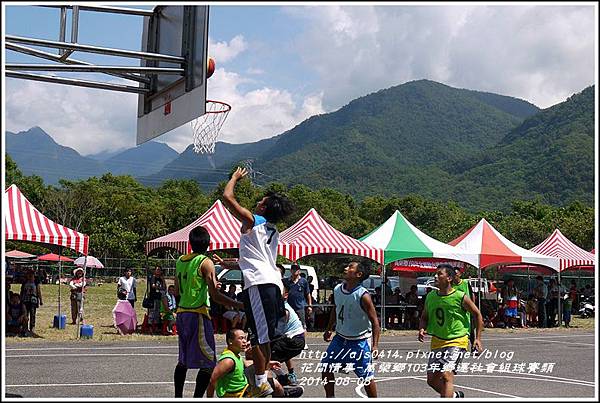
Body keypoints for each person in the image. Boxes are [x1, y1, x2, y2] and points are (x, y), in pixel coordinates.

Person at [221, 166, 294, 397]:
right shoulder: (273, 229)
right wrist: (231, 264)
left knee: (260, 336)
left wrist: (234, 178)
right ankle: (263, 380)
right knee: (262, 335)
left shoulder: (256, 220)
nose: (258, 201)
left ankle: (262, 381)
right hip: (271, 282)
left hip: (259, 284)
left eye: (261, 200)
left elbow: (228, 198)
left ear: (263, 207)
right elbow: (255, 258)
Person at [173, 226, 244, 398]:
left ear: (189, 243)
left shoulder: (180, 260)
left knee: (183, 360)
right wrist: (239, 305)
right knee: (209, 362)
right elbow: (216, 296)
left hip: (182, 313)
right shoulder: (205, 262)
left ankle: (177, 397)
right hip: (198, 314)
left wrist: (205, 286)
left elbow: (176, 290)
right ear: (209, 244)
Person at [419, 264, 483, 398]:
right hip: (438, 341)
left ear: (449, 278)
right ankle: (454, 396)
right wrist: (422, 328)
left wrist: (477, 338)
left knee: (447, 375)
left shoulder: (460, 297)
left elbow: (477, 315)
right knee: (432, 380)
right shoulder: (431, 297)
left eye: (439, 274)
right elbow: (424, 317)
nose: (436, 277)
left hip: (457, 340)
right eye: (435, 274)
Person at [321, 262, 380, 398]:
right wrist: (329, 329)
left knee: (366, 377)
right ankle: (330, 398)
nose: (346, 268)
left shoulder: (363, 295)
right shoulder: (337, 289)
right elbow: (335, 309)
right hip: (340, 338)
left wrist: (375, 345)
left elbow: (375, 322)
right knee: (326, 366)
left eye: (350, 267)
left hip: (358, 342)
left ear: (358, 275)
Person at [271, 282, 307, 387]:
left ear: (285, 295)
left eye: (278, 291)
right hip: (293, 340)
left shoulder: (284, 309)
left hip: (295, 340)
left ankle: (283, 378)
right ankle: (287, 377)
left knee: (264, 355)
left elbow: (276, 332)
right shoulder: (279, 306)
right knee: (275, 351)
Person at [452, 267, 476, 347]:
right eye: (453, 274)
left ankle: (473, 345)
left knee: (470, 328)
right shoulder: (450, 284)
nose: (454, 276)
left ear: (460, 274)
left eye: (456, 274)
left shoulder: (465, 283)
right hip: (456, 310)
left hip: (466, 309)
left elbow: (472, 294)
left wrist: (473, 306)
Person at [284, 263, 313, 331]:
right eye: (293, 269)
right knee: (288, 325)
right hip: (289, 308)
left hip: (300, 308)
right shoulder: (286, 281)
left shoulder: (303, 281)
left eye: (296, 269)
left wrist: (310, 306)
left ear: (299, 271)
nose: (295, 270)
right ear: (291, 270)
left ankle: (303, 340)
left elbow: (308, 294)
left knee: (302, 326)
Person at [20, 269, 42, 336]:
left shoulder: (36, 282)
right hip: (25, 300)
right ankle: (25, 328)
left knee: (33, 314)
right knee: (25, 314)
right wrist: (20, 299)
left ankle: (32, 327)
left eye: (31, 274)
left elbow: (38, 291)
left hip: (33, 300)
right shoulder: (24, 282)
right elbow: (22, 291)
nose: (30, 275)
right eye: (28, 274)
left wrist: (40, 300)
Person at [148, 266, 167, 333]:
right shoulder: (153, 277)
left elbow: (165, 287)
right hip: (153, 297)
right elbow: (153, 286)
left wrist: (163, 280)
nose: (158, 271)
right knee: (152, 311)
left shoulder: (161, 278)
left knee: (157, 312)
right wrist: (160, 288)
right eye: (157, 269)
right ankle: (150, 326)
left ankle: (156, 326)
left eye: (159, 270)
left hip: (159, 297)